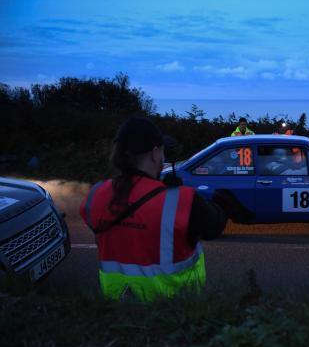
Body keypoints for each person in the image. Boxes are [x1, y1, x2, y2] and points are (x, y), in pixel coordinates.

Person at [80, 117, 225, 301]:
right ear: (155, 153)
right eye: (162, 151)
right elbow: (216, 224)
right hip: (173, 310)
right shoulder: (180, 200)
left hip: (117, 309)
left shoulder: (96, 194)